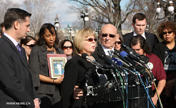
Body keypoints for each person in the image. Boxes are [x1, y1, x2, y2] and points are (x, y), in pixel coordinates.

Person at [0, 8, 40, 108]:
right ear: (16, 24)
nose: (29, 30)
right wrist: (30, 103)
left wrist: (35, 98)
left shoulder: (20, 49)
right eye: (27, 25)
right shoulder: (2, 47)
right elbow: (11, 83)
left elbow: (27, 77)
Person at [61, 28, 99, 108]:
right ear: (80, 41)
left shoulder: (97, 60)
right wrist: (73, 92)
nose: (93, 41)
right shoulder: (75, 62)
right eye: (90, 39)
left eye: (95, 39)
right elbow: (66, 93)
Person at [29, 23, 64, 108]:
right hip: (43, 92)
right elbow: (34, 74)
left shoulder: (59, 51)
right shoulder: (36, 50)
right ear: (42, 36)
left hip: (58, 92)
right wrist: (53, 81)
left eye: (53, 35)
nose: (51, 38)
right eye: (48, 36)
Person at [130, 35, 166, 107]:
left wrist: (156, 97)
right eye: (133, 50)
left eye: (138, 50)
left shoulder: (154, 59)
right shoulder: (128, 59)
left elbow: (162, 79)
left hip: (149, 96)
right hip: (132, 97)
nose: (135, 52)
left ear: (144, 48)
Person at [153, 21, 176, 108]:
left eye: (170, 32)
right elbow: (155, 65)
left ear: (174, 33)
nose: (167, 35)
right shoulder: (158, 47)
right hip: (162, 79)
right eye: (164, 33)